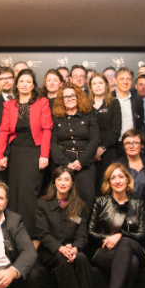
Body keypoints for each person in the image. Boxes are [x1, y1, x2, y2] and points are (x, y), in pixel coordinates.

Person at [36, 167, 94, 288]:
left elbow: (82, 235)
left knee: (82, 258)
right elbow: (43, 234)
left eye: (67, 179)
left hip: (72, 249)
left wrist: (75, 248)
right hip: (50, 251)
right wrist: (60, 248)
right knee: (62, 260)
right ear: (54, 182)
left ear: (72, 183)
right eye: (59, 179)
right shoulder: (43, 204)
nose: (62, 183)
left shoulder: (80, 206)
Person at [88, 163, 145, 288]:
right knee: (132, 263)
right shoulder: (100, 201)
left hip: (134, 246)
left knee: (125, 242)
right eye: (113, 178)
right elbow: (91, 232)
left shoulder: (138, 203)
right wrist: (108, 239)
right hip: (104, 251)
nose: (117, 181)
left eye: (121, 176)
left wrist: (120, 234)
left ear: (128, 180)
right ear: (108, 182)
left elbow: (142, 234)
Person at [0, 69, 52, 241]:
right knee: (13, 193)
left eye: (28, 81)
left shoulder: (42, 102)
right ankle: (12, 233)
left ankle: (30, 234)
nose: (25, 84)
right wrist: (0, 155)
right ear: (17, 84)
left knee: (28, 193)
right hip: (15, 153)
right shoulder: (9, 105)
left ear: (33, 85)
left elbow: (47, 129)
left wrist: (44, 155)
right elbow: (4, 131)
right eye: (21, 81)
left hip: (35, 152)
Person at [50, 82, 99, 210]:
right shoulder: (56, 118)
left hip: (85, 163)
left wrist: (81, 162)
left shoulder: (88, 116)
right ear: (61, 100)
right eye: (66, 96)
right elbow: (52, 143)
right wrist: (66, 164)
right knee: (63, 200)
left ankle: (83, 224)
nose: (70, 99)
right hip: (62, 164)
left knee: (87, 198)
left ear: (78, 97)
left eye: (73, 95)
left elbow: (94, 140)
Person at [88, 73, 122, 195]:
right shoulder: (85, 104)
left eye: (100, 83)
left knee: (107, 186)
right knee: (90, 187)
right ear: (90, 87)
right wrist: (93, 150)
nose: (98, 86)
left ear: (106, 85)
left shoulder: (114, 103)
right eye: (94, 83)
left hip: (108, 150)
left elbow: (116, 131)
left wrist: (101, 149)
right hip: (89, 151)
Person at [114, 129, 145, 201]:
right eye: (127, 143)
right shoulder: (116, 164)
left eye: (135, 143)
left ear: (141, 145)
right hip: (125, 205)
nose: (131, 146)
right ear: (123, 146)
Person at [114, 67, 145, 157]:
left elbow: (140, 124)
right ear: (116, 81)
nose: (125, 82)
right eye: (122, 79)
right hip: (113, 145)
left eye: (128, 79)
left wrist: (144, 145)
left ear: (132, 81)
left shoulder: (137, 100)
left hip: (133, 145)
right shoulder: (109, 98)